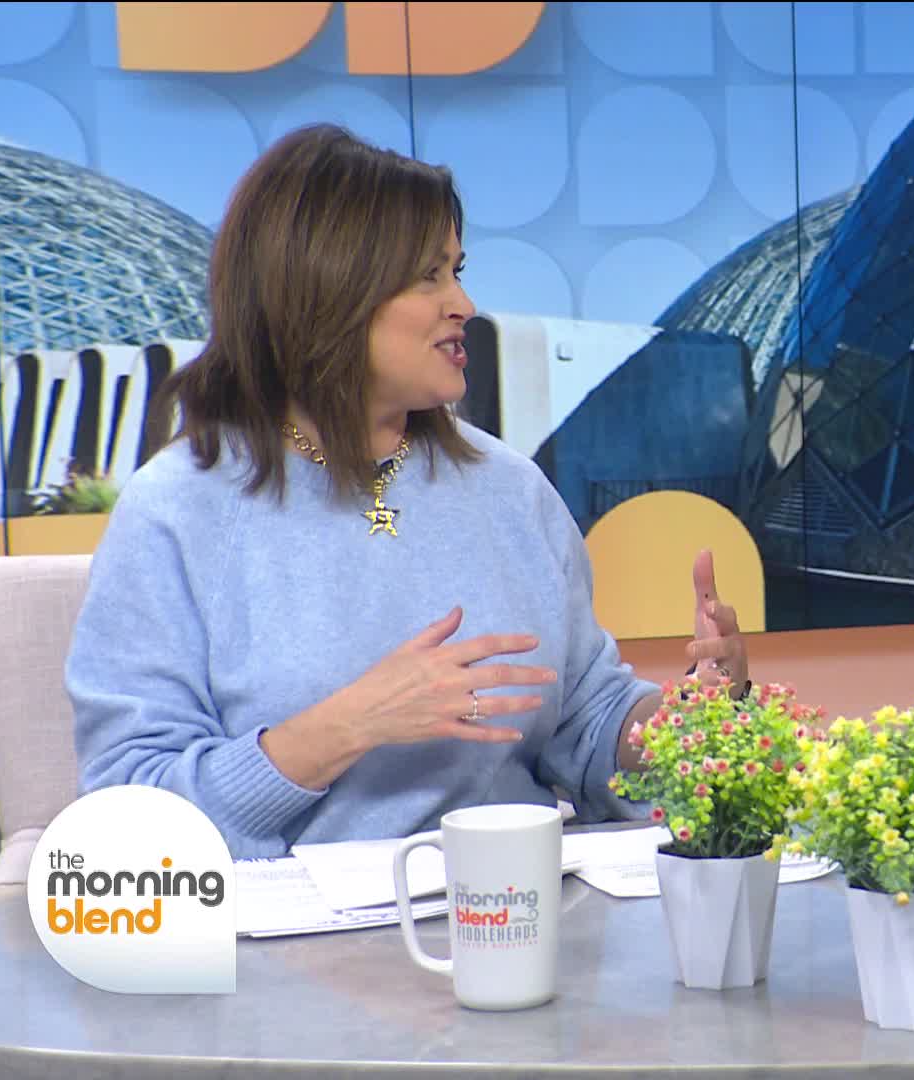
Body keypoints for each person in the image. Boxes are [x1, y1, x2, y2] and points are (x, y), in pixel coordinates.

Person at [66, 125, 749, 859]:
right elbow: (133, 812)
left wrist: (686, 722)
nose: (465, 304)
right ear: (325, 291)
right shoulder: (176, 510)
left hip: (518, 898)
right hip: (290, 924)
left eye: (458, 270)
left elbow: (584, 720)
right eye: (428, 276)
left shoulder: (509, 488)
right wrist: (347, 726)